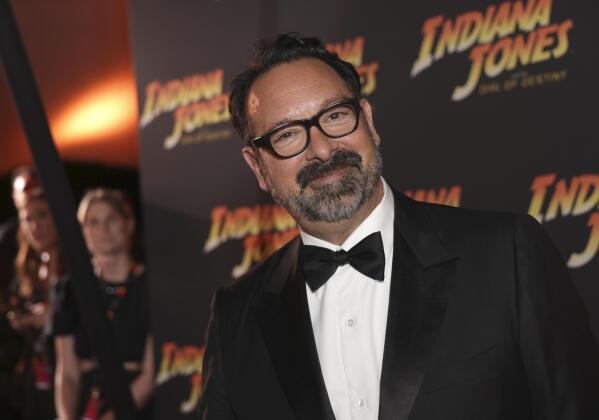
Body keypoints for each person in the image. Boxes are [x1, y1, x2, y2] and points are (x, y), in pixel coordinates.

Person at [198, 33, 599, 420]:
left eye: (335, 116)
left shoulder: (505, 254)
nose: (321, 149)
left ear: (368, 122)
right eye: (287, 136)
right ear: (257, 167)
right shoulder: (237, 315)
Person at [54, 188, 153, 420]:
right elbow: (66, 371)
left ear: (128, 224)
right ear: (83, 231)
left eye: (111, 219)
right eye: (94, 222)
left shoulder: (149, 287)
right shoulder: (69, 290)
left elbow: (150, 376)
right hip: (84, 404)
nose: (104, 230)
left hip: (134, 405)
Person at [5, 166, 62, 419]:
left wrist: (49, 318)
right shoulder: (22, 263)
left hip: (71, 375)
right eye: (28, 218)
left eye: (43, 215)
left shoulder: (77, 265)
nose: (36, 226)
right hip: (33, 379)